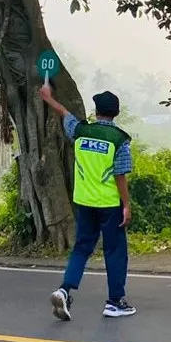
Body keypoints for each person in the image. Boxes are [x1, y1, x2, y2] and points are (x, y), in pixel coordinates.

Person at [38, 85, 138, 321]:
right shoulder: (119, 139)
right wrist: (126, 204)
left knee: (82, 248)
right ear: (116, 113)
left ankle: (64, 289)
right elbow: (120, 175)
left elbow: (65, 114)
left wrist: (48, 97)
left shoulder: (81, 131)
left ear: (96, 111)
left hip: (84, 202)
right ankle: (115, 302)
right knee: (115, 251)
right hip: (109, 204)